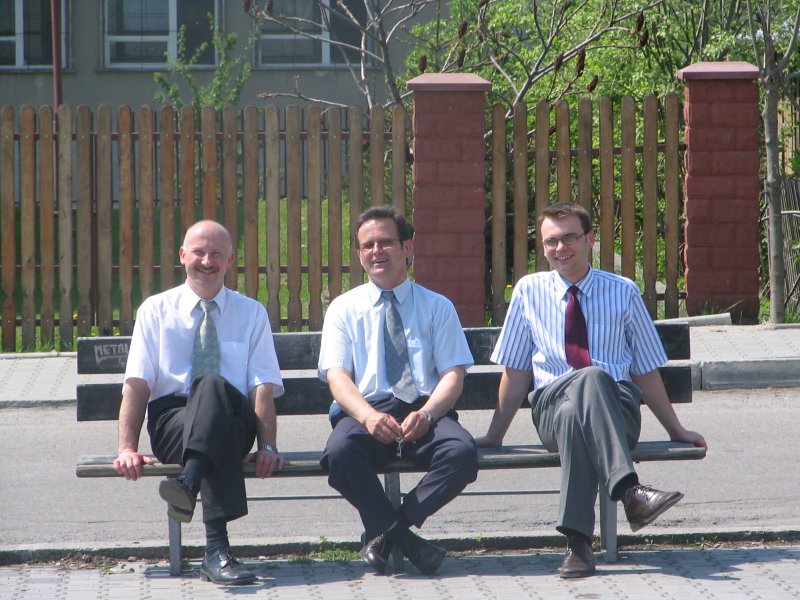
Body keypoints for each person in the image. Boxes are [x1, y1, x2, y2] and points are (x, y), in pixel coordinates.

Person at [476, 202, 707, 579]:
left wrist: (676, 429)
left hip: (617, 408)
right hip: (551, 405)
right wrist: (494, 435)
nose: (560, 248)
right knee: (587, 382)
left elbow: (646, 370)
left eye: (569, 237)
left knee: (588, 392)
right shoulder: (529, 291)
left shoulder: (623, 291)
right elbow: (516, 371)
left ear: (590, 240)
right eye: (550, 241)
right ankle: (630, 492)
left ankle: (578, 546)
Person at [113, 220, 285, 586]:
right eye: (199, 253)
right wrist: (127, 447)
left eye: (216, 254)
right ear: (182, 256)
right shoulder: (155, 310)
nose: (207, 261)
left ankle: (187, 484)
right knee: (214, 421)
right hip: (173, 422)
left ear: (230, 260)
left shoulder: (251, 313)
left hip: (235, 417)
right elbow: (137, 385)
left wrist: (267, 445)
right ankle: (216, 553)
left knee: (212, 387)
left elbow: (261, 389)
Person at [318, 206, 478, 575]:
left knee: (462, 454)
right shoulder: (344, 309)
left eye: (385, 242)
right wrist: (368, 417)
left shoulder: (437, 306)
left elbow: (453, 375)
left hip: (424, 411)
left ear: (407, 247)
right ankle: (405, 540)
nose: (376, 251)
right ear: (359, 253)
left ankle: (389, 533)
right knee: (339, 453)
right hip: (367, 411)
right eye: (367, 245)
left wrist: (428, 413)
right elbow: (337, 377)